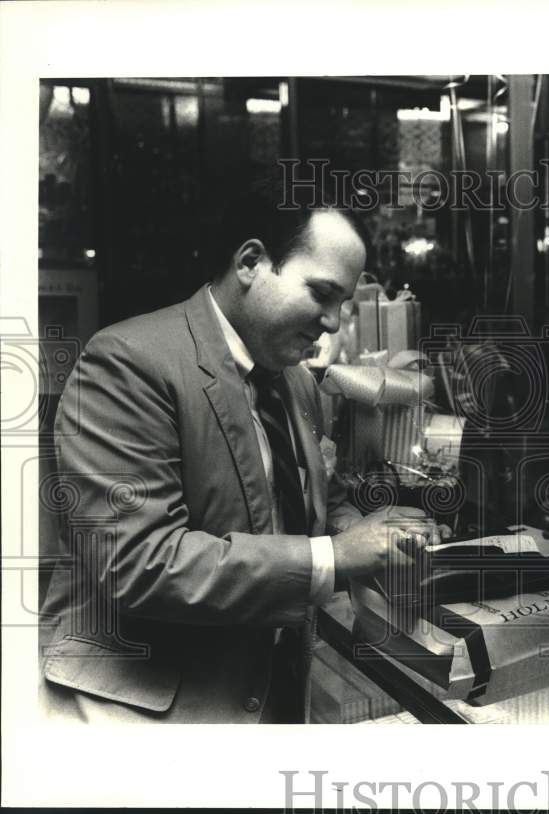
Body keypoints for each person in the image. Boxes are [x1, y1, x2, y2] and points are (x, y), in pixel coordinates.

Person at [39, 175, 440, 723]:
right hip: (144, 723)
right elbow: (137, 563)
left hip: (267, 699)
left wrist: (366, 531)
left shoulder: (294, 381)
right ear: (251, 262)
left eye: (342, 303)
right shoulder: (125, 363)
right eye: (322, 293)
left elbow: (300, 507)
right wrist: (335, 556)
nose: (332, 323)